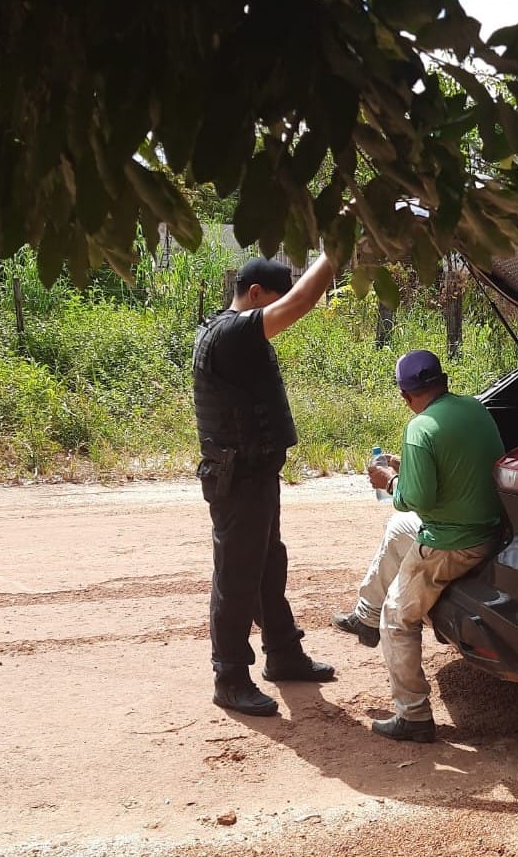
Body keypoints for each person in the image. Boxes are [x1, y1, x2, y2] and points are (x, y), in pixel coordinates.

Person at [332, 350, 505, 742]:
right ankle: (365, 614)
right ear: (442, 382)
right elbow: (453, 468)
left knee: (398, 618)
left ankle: (413, 716)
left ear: (405, 395)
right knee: (397, 530)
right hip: (487, 529)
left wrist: (390, 481)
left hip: (453, 543)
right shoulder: (473, 409)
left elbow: (417, 498)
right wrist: (402, 464)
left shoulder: (420, 428)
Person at [194, 255, 338, 717]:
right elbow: (301, 303)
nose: (274, 318)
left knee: (267, 564)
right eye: (271, 303)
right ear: (255, 294)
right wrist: (334, 253)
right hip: (239, 477)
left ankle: (283, 654)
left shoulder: (225, 330)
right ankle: (230, 676)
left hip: (253, 472)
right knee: (236, 576)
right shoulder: (233, 332)